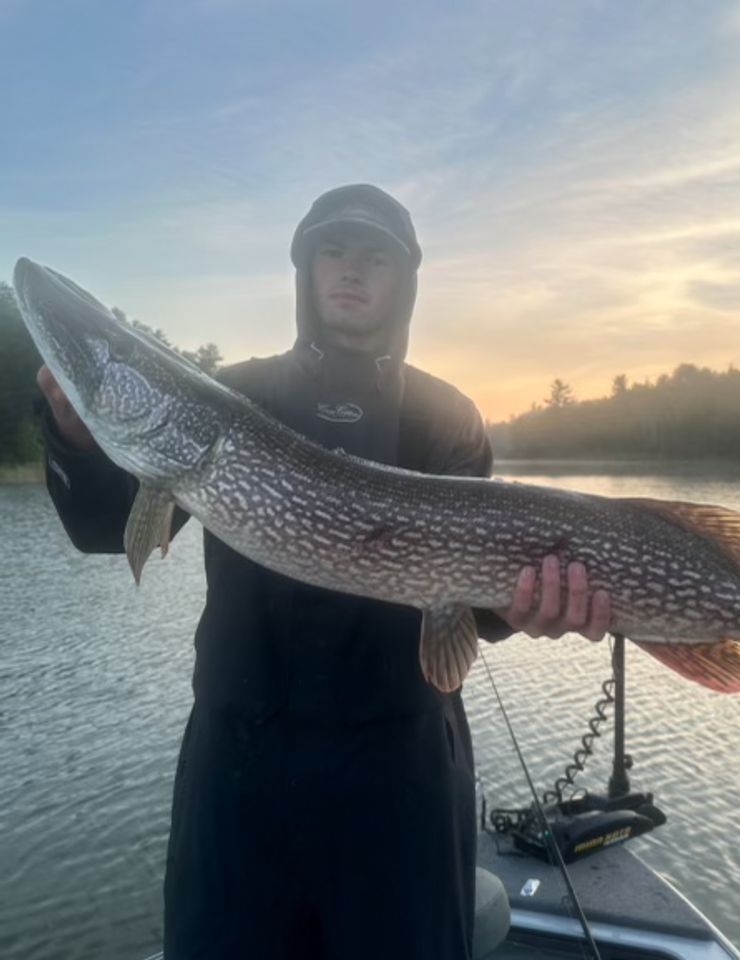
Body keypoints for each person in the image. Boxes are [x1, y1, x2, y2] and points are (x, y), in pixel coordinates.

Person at [37, 183, 611, 960]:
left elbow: (474, 598)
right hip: (238, 760)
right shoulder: (233, 395)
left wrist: (524, 610)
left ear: (405, 281)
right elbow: (104, 528)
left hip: (400, 767)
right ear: (305, 270)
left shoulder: (446, 415)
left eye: (375, 257)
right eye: (332, 251)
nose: (351, 270)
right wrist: (75, 442)